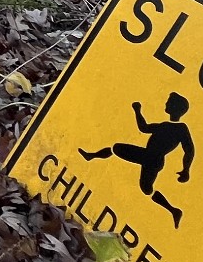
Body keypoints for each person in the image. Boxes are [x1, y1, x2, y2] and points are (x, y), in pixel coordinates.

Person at [81, 92, 195, 227]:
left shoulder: (181, 128)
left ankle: (173, 210)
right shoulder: (164, 125)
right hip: (148, 156)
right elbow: (144, 128)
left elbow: (189, 149)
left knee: (145, 186)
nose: (165, 104)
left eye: (169, 102)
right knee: (143, 185)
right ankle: (91, 156)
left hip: (153, 158)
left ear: (175, 107)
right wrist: (137, 111)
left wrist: (186, 169)